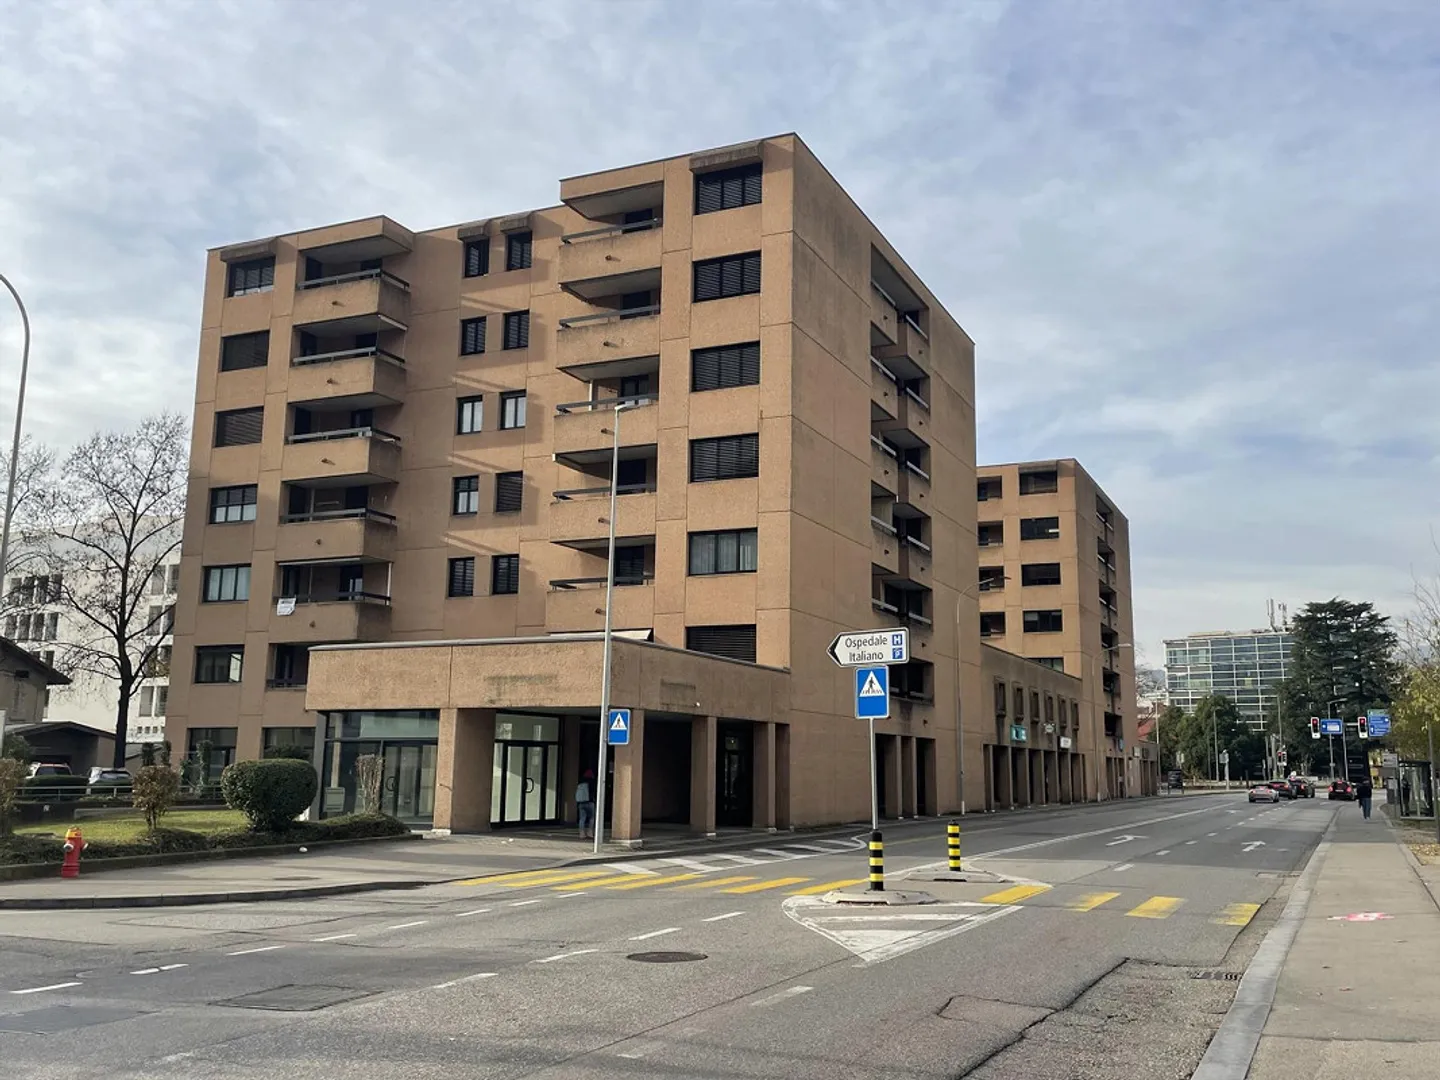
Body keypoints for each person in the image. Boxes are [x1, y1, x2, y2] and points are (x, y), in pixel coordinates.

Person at [576, 769, 596, 839]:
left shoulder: (580, 783)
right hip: (590, 802)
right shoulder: (592, 783)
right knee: (591, 818)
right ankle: (590, 832)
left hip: (581, 803)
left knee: (582, 818)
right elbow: (594, 792)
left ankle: (581, 834)